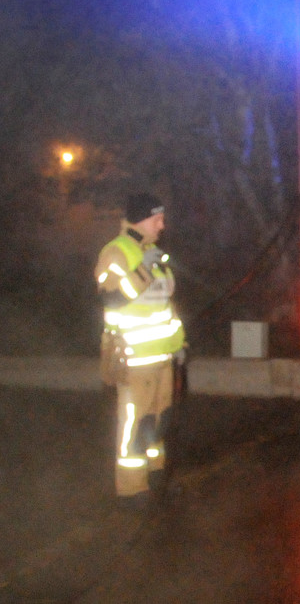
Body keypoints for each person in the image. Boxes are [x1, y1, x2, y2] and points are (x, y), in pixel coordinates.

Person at [95, 193, 185, 502]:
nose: (162, 225)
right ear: (141, 220)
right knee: (134, 424)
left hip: (161, 356)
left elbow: (163, 307)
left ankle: (156, 475)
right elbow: (111, 297)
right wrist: (144, 270)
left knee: (159, 420)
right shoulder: (116, 252)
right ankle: (132, 487)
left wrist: (178, 344)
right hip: (134, 358)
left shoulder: (150, 252)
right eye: (157, 219)